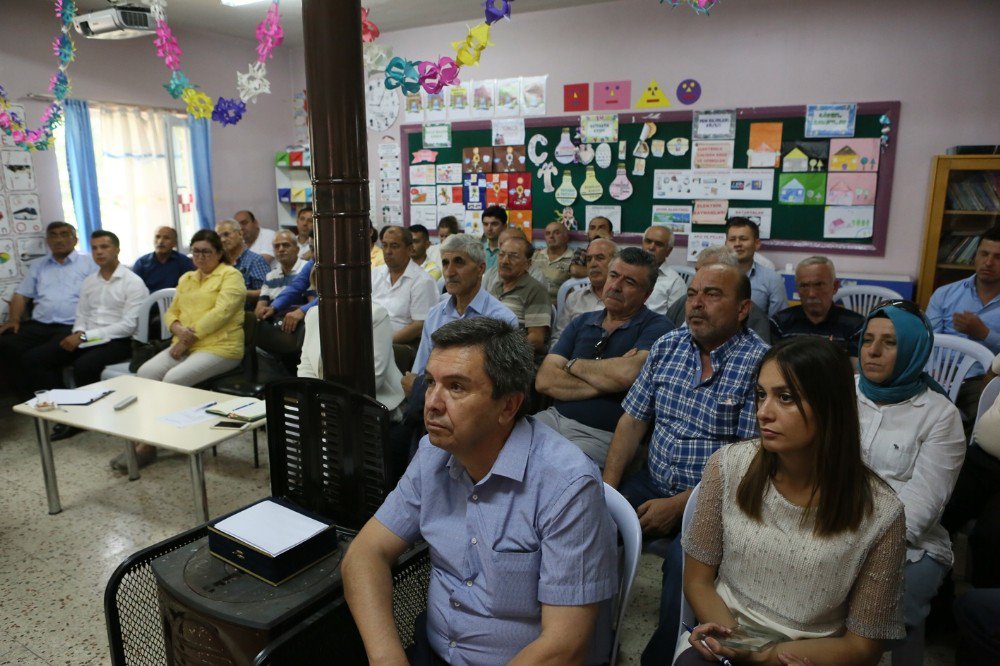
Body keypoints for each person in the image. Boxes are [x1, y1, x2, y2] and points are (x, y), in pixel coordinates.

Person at [342, 317, 618, 666]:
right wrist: (386, 659)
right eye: (430, 383)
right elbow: (364, 555)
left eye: (456, 387)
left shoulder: (566, 486)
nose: (432, 403)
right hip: (437, 648)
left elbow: (564, 646)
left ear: (508, 406)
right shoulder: (433, 454)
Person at [677, 337, 905, 666]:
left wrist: (766, 656)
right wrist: (742, 646)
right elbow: (697, 580)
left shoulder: (881, 513)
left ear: (829, 406)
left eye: (785, 398)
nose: (763, 413)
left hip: (812, 655)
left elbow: (863, 646)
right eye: (760, 395)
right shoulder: (728, 466)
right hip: (729, 632)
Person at [603, 261, 769, 664]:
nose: (697, 304)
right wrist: (606, 491)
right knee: (584, 525)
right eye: (693, 293)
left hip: (717, 499)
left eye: (712, 295)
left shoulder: (761, 364)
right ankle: (592, 639)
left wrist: (680, 505)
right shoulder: (668, 346)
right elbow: (632, 421)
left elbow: (752, 462)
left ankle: (663, 659)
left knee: (684, 566)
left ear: (743, 309)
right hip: (653, 480)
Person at [855, 300, 965, 660]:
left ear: (915, 348)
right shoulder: (843, 390)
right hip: (833, 525)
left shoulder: (940, 415)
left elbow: (921, 507)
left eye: (889, 342)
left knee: (887, 612)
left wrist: (857, 547)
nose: (872, 351)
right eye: (867, 339)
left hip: (909, 543)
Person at [534, 248, 673, 467]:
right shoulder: (582, 322)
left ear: (647, 294)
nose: (616, 286)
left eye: (629, 282)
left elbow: (626, 374)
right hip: (552, 418)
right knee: (506, 449)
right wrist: (609, 381)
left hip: (601, 435)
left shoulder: (658, 328)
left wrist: (570, 365)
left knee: (550, 470)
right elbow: (545, 380)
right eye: (614, 276)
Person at [128, 230, 246, 470]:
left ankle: (154, 443)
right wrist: (176, 327)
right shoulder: (187, 278)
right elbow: (172, 311)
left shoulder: (231, 276)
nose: (200, 257)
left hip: (221, 347)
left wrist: (185, 339)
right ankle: (148, 434)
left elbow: (221, 314)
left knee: (172, 379)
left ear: (219, 253)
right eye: (196, 251)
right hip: (184, 344)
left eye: (207, 252)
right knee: (146, 373)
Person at [22, 230, 148, 440]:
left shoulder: (133, 283)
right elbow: (81, 314)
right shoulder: (90, 281)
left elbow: (127, 326)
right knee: (35, 359)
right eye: (95, 248)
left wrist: (85, 337)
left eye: (105, 247)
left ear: (117, 250)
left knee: (84, 366)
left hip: (117, 340)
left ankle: (82, 418)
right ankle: (65, 409)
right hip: (88, 335)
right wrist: (79, 332)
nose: (99, 252)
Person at [0, 221, 97, 401]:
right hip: (40, 325)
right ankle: (27, 398)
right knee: (5, 344)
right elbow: (22, 294)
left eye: (64, 234)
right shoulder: (39, 265)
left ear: (74, 239)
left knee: (35, 358)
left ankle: (62, 402)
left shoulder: (89, 263)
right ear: (48, 241)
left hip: (72, 325)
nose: (59, 239)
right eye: (53, 235)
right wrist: (13, 319)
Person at [926, 226, 1000, 431]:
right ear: (975, 256)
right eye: (984, 254)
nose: (988, 262)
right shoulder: (945, 294)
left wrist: (984, 334)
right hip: (935, 374)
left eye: (997, 257)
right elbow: (928, 339)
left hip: (981, 379)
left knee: (987, 426)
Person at [942, 351, 1000, 589]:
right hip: (980, 458)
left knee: (989, 538)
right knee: (937, 517)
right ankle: (937, 602)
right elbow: (993, 375)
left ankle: (981, 613)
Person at [298, 300, 404, 419]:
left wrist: (331, 406)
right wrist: (318, 402)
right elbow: (305, 367)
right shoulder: (313, 314)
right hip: (323, 407)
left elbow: (374, 376)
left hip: (372, 408)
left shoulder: (375, 314)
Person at [667, 245, 772, 344]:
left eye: (712, 295)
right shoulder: (686, 301)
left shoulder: (754, 317)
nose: (696, 303)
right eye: (697, 271)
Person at [770, 256, 864, 357]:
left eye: (819, 284)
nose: (811, 294)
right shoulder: (780, 324)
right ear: (797, 289)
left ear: (835, 286)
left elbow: (855, 369)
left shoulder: (856, 326)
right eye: (804, 286)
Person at [371, 226, 439, 350]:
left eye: (394, 246)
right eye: (384, 245)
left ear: (409, 249)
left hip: (401, 347)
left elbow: (419, 325)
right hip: (370, 340)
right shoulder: (374, 275)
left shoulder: (422, 281)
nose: (387, 251)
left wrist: (382, 343)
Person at [254, 230, 311, 373]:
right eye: (277, 246)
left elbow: (315, 302)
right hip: (276, 322)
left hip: (298, 326)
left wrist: (301, 310)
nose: (281, 249)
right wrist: (271, 308)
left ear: (297, 249)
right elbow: (295, 288)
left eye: (285, 245)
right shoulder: (271, 275)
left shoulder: (307, 267)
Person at [488, 235, 551, 355]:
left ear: (528, 264)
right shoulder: (496, 287)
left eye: (513, 256)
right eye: (501, 254)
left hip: (516, 357)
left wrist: (502, 350)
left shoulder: (535, 290)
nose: (505, 261)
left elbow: (536, 339)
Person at [552, 238, 618, 344]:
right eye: (588, 259)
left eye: (600, 258)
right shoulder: (574, 298)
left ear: (616, 263)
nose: (592, 264)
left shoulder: (626, 299)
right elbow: (558, 338)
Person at [725, 216, 788, 316]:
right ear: (725, 244)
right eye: (732, 239)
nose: (737, 244)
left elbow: (778, 322)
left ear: (757, 244)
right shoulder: (713, 276)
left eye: (743, 239)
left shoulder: (772, 279)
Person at [216, 219, 269, 307]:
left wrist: (239, 293)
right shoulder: (218, 262)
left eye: (226, 234)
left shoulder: (255, 260)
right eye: (218, 237)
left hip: (247, 312)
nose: (222, 240)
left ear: (240, 234)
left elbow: (266, 292)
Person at [482, 227, 545, 294]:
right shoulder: (491, 273)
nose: (505, 261)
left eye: (513, 254)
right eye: (501, 244)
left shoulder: (536, 277)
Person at [131, 226, 195, 292]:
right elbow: (135, 290)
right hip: (149, 301)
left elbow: (191, 288)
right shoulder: (141, 263)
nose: (160, 241)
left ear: (174, 243)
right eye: (157, 237)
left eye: (166, 238)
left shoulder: (184, 262)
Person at [641, 225, 686, 315]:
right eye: (648, 241)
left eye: (658, 244)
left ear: (668, 251)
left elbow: (676, 319)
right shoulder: (629, 272)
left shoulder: (675, 282)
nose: (651, 247)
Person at [532, 221, 575, 301]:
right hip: (530, 302)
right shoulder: (535, 256)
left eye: (556, 233)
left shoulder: (574, 258)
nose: (551, 236)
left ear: (566, 237)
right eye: (548, 233)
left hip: (557, 307)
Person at [480, 205, 506, 270]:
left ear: (504, 226)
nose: (489, 228)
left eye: (494, 224)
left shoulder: (509, 252)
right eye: (485, 224)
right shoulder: (478, 249)